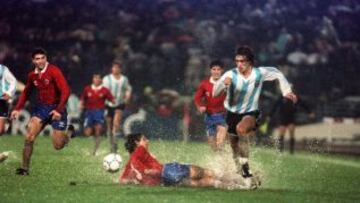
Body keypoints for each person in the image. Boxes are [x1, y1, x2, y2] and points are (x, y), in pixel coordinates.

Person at [213, 46, 297, 178]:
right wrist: (223, 84)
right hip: (231, 113)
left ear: (250, 61)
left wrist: (287, 91)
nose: (239, 64)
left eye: (242, 61)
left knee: (241, 129)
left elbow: (277, 73)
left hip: (251, 112)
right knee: (234, 146)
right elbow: (214, 93)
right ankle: (238, 170)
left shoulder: (259, 73)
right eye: (237, 61)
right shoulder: (230, 75)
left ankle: (246, 168)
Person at [10, 48, 75, 175]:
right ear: (33, 60)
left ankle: (69, 134)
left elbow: (66, 90)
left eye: (42, 58)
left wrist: (58, 110)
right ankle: (24, 169)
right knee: (29, 137)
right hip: (42, 108)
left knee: (58, 146)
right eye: (37, 59)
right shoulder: (32, 75)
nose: (40, 61)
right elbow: (26, 93)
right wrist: (17, 109)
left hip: (58, 108)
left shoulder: (54, 71)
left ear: (46, 59)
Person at [119, 133, 260, 190]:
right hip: (169, 170)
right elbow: (143, 168)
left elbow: (122, 180)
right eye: (144, 139)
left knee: (207, 182)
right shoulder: (140, 150)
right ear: (138, 143)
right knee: (209, 173)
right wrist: (150, 171)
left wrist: (136, 179)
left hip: (166, 181)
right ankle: (245, 180)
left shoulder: (130, 162)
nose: (147, 141)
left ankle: (242, 188)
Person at [193, 60, 227, 151]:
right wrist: (200, 106)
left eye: (218, 69)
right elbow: (197, 98)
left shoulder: (226, 83)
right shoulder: (205, 84)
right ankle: (219, 157)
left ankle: (224, 157)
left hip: (222, 114)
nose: (216, 72)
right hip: (209, 116)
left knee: (221, 132)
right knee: (213, 145)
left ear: (222, 70)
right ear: (210, 70)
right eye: (214, 69)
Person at [80, 74, 115, 155]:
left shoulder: (104, 90)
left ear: (101, 80)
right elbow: (82, 98)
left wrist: (113, 101)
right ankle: (95, 135)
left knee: (98, 130)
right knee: (87, 133)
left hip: (99, 112)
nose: (96, 79)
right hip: (89, 113)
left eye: (98, 78)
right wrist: (81, 104)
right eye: (95, 78)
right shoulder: (87, 89)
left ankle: (95, 151)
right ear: (93, 79)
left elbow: (112, 99)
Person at [102, 61, 132, 153]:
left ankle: (115, 145)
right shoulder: (107, 79)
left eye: (117, 67)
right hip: (108, 104)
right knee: (109, 126)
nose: (115, 69)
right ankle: (111, 144)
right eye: (114, 67)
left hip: (119, 104)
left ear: (120, 69)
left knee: (116, 123)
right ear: (112, 69)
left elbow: (128, 89)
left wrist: (127, 97)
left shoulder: (124, 79)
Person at [0, 64, 17, 163]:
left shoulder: (3, 69)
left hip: (1, 101)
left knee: (1, 130)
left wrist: (9, 93)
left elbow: (13, 81)